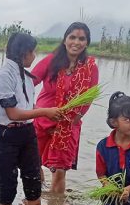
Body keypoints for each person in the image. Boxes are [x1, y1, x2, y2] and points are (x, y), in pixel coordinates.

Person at [0, 32, 61, 205]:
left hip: (27, 134)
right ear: (24, 53)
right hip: (7, 135)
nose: (35, 56)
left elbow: (27, 105)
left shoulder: (26, 77)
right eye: (33, 52)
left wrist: (46, 112)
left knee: (33, 182)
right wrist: (45, 112)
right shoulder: (4, 77)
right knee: (7, 186)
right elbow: (13, 114)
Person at [31, 22, 99, 193]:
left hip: (68, 126)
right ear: (65, 40)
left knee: (60, 170)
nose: (76, 42)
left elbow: (89, 97)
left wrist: (75, 118)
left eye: (81, 39)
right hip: (43, 121)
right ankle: (36, 203)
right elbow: (28, 82)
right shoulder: (51, 61)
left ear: (87, 43)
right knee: (33, 163)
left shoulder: (90, 68)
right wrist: (30, 109)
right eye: (72, 37)